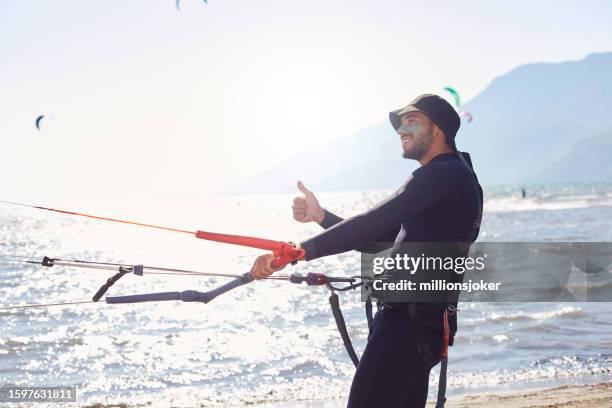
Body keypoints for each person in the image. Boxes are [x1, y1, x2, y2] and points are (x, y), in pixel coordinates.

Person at [249, 94, 483, 408]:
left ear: (438, 129)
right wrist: (321, 217)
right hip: (425, 324)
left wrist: (297, 251)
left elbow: (372, 222)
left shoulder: (440, 174)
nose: (401, 129)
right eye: (400, 124)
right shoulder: (459, 175)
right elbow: (383, 238)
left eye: (412, 120)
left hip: (407, 325)